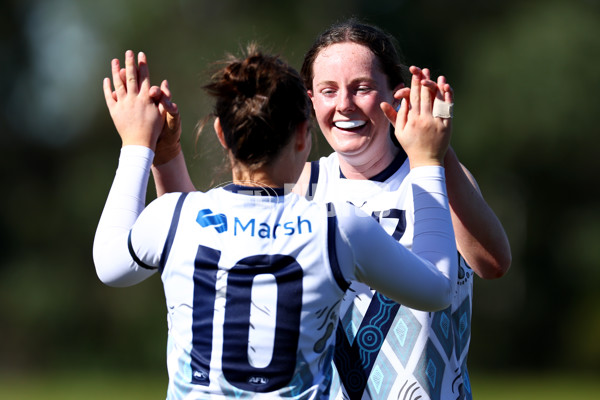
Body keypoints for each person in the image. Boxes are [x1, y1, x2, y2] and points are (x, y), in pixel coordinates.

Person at [149, 19, 511, 400]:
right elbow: (199, 240)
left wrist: (436, 150)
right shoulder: (298, 186)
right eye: (328, 91)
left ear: (399, 97)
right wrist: (165, 155)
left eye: (363, 88)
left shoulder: (433, 179)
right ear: (310, 104)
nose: (344, 105)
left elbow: (491, 262)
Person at [93, 46, 458, 399]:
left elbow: (110, 265)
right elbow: (438, 289)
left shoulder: (173, 214)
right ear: (302, 133)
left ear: (221, 133)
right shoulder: (338, 227)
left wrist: (138, 144)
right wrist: (427, 160)